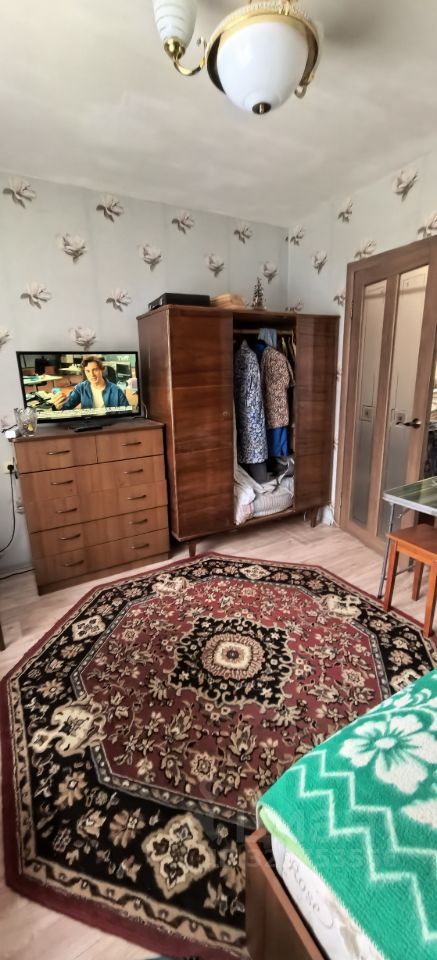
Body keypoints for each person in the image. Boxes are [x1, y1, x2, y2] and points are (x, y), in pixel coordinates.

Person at [51, 356, 129, 410]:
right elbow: (66, 406)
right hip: (88, 425)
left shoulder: (116, 390)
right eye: (88, 371)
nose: (92, 375)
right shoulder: (80, 388)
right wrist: (58, 407)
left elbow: (127, 412)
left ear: (101, 370)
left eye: (95, 370)